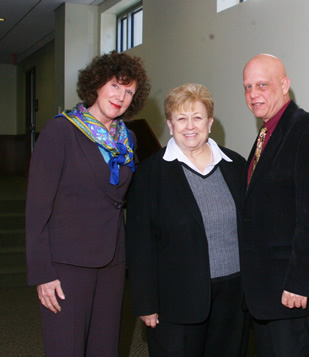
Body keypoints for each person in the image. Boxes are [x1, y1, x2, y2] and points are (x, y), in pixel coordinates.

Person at [25, 51, 150, 356]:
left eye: (129, 91)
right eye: (116, 85)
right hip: (66, 264)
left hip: (113, 261)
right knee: (66, 348)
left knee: (105, 348)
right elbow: (36, 209)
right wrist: (43, 273)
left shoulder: (128, 139)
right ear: (97, 84)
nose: (121, 96)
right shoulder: (61, 131)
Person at [125, 83, 249, 356]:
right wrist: (146, 303)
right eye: (181, 118)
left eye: (197, 117)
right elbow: (139, 244)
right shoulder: (149, 174)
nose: (190, 126)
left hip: (233, 298)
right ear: (170, 124)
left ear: (210, 122)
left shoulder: (236, 165)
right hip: (176, 300)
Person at [240, 54, 309, 356]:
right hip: (267, 290)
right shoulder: (267, 132)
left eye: (262, 84)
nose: (253, 94)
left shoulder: (307, 129)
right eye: (247, 87)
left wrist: (301, 282)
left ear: (284, 85)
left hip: (291, 292)